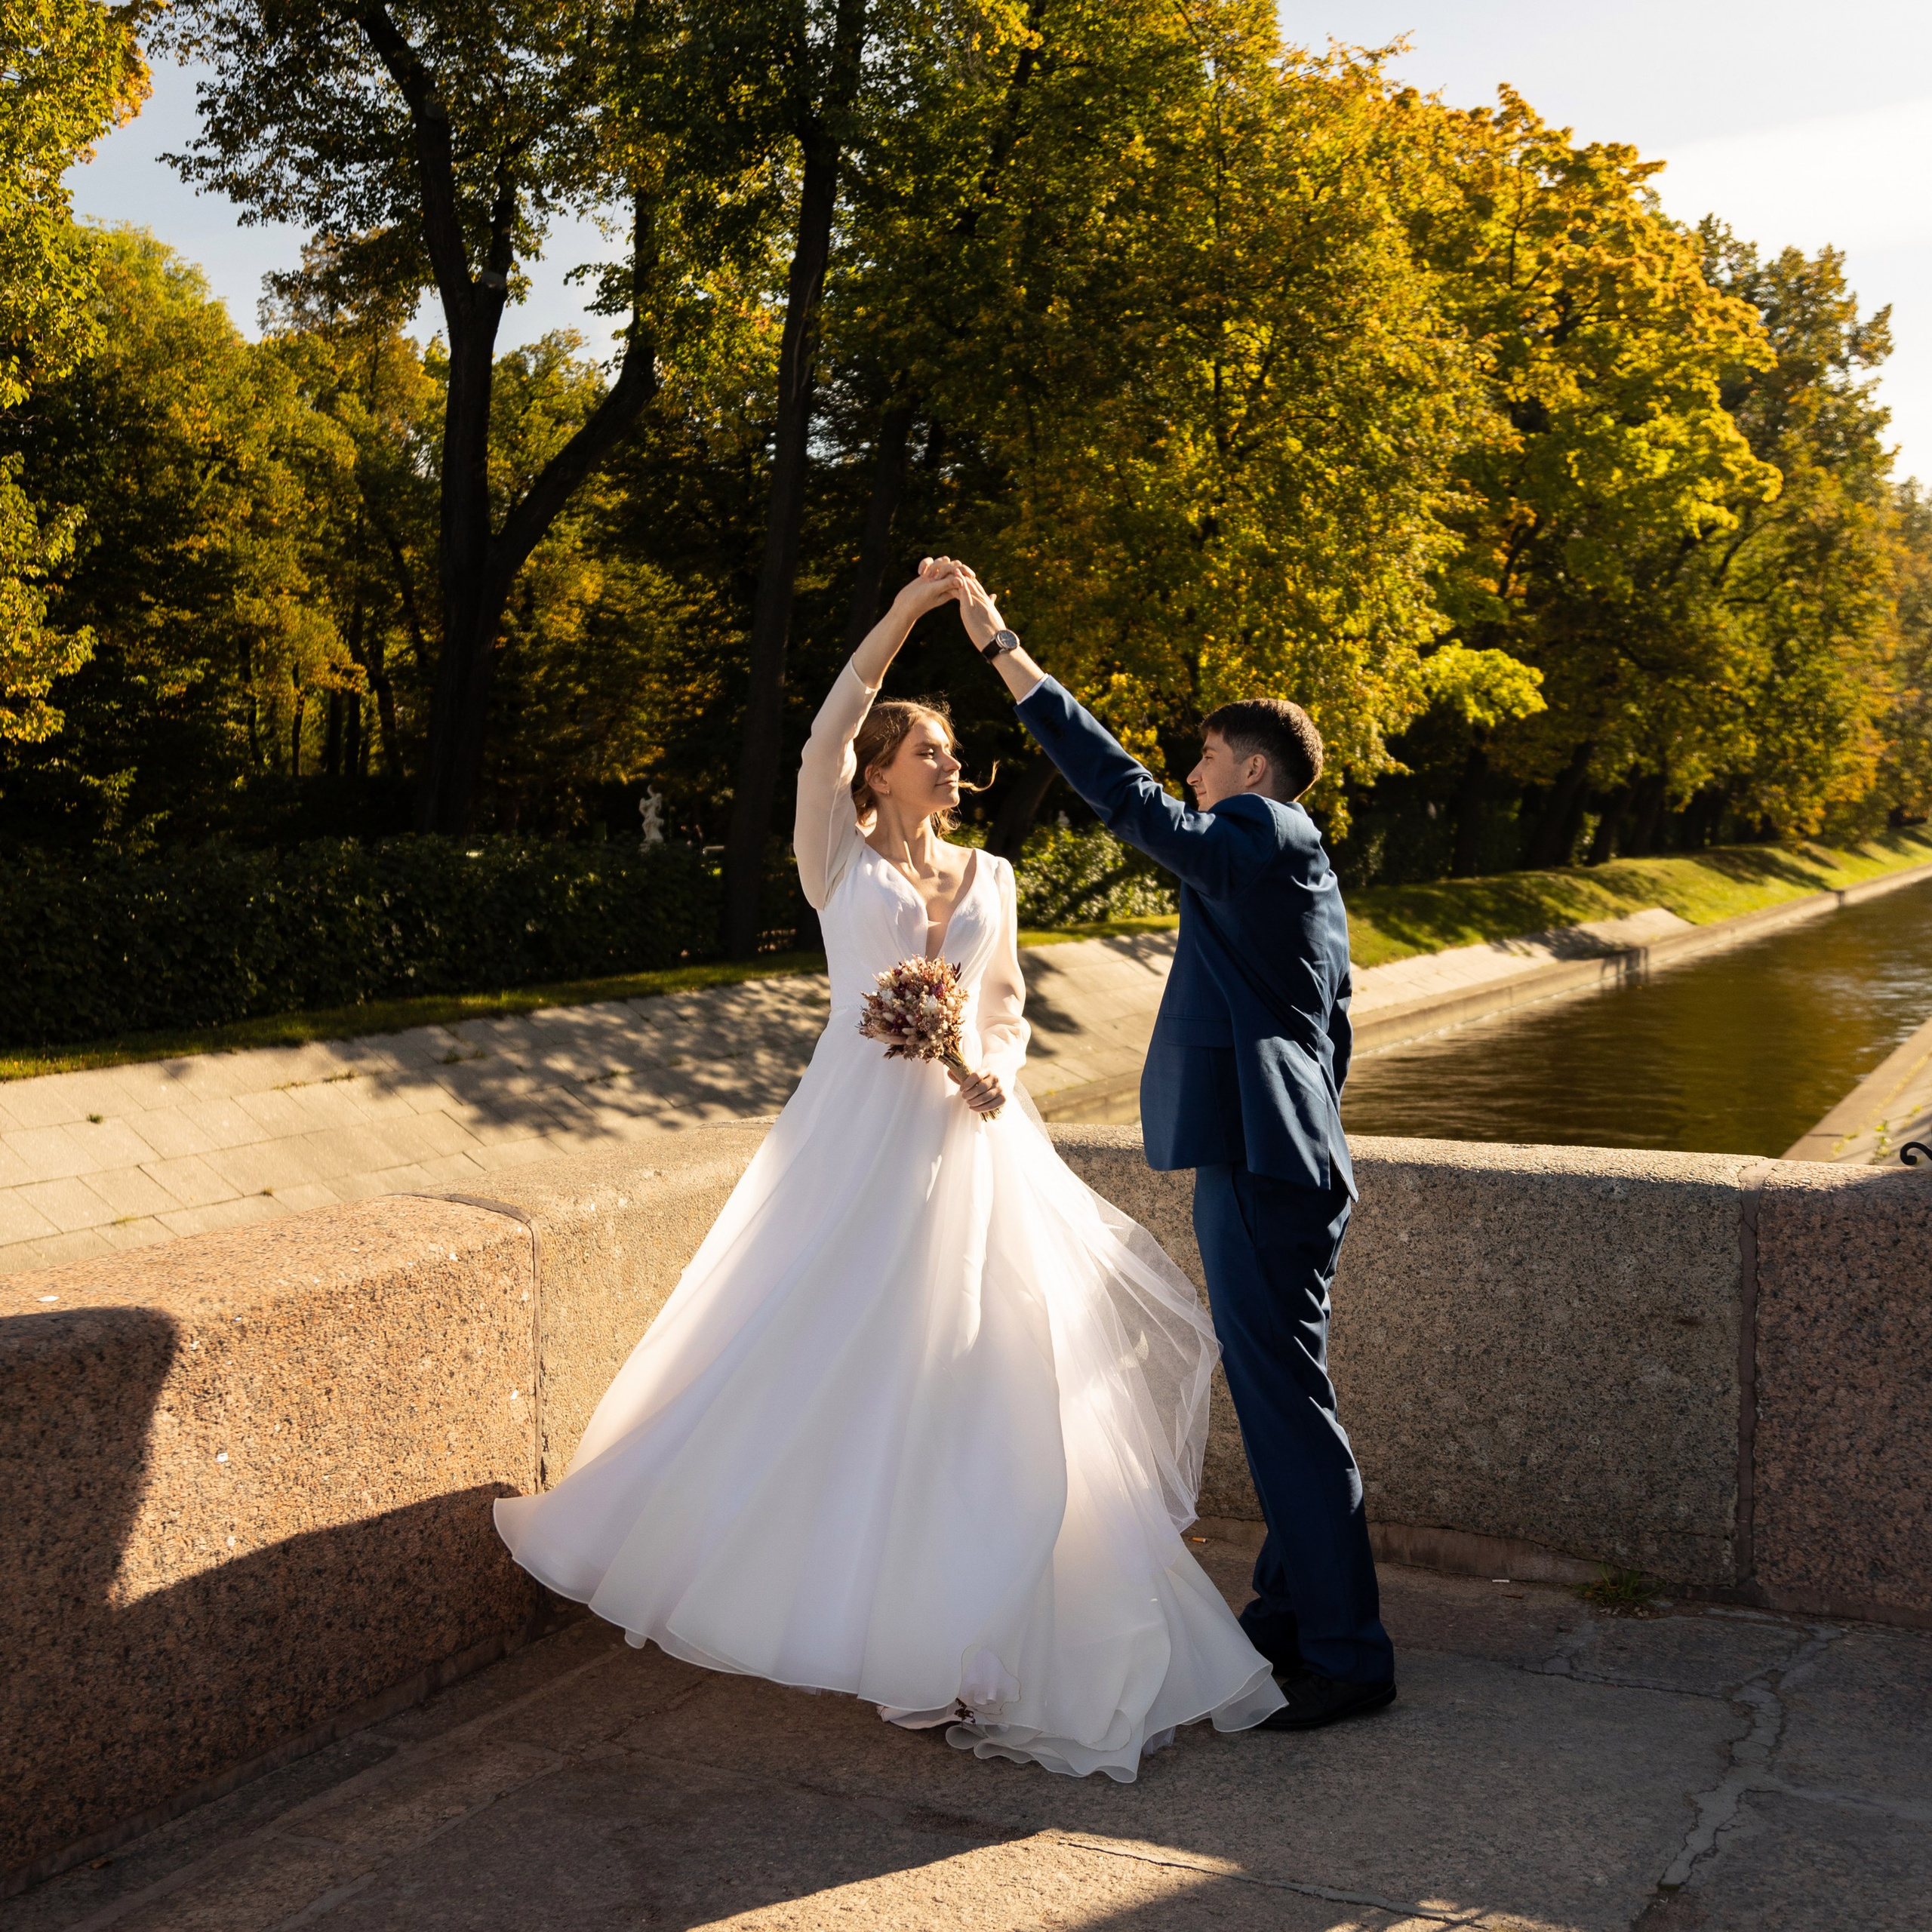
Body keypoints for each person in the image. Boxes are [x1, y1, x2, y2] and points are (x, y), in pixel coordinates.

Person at [494, 556, 1285, 1780]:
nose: (953, 771)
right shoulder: (834, 856)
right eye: (932, 755)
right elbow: (822, 731)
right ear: (878, 773)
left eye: (957, 758)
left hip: (969, 1142)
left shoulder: (996, 879)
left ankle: (955, 1629)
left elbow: (1013, 1009)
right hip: (852, 1134)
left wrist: (993, 1070)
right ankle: (843, 1604)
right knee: (829, 1343)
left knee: (976, 1363)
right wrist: (914, 615)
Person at [953, 566, 1397, 1730]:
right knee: (1292, 1397)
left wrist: (1010, 656)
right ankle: (1296, 1621)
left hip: (1263, 1164)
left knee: (1286, 1403)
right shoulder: (1302, 865)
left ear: (1250, 769)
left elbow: (1135, 804)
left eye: (1207, 758)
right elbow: (1332, 1026)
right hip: (1292, 1155)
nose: (1193, 778)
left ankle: (1350, 1653)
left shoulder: (1255, 829)